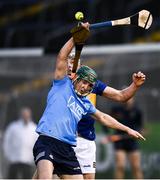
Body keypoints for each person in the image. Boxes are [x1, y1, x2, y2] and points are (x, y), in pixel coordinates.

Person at [32, 22, 145, 179]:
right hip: (49, 140)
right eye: (84, 82)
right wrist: (75, 37)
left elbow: (104, 116)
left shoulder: (85, 103)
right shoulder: (61, 83)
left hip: (69, 147)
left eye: (89, 85)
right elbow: (61, 57)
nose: (86, 86)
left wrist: (127, 128)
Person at [109, 97, 144, 179]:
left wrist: (138, 133)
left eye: (130, 97)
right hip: (119, 142)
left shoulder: (137, 111)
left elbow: (141, 127)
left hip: (132, 141)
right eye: (125, 97)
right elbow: (107, 121)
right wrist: (108, 133)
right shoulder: (116, 109)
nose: (127, 99)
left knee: (136, 167)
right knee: (120, 166)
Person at [3, 107, 38, 179]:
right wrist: (8, 155)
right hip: (14, 159)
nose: (26, 116)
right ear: (21, 115)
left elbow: (37, 144)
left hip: (28, 160)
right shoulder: (13, 127)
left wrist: (34, 158)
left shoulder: (34, 128)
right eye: (24, 115)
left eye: (27, 115)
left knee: (27, 177)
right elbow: (6, 141)